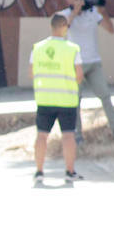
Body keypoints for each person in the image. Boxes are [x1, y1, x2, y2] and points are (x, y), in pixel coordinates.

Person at [60, 0, 114, 142]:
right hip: (76, 64)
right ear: (69, 0)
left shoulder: (92, 13)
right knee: (75, 101)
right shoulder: (65, 14)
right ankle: (77, 136)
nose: (80, 0)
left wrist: (103, 12)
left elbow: (111, 30)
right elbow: (62, 31)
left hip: (94, 62)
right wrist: (75, 12)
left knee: (105, 95)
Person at [31, 13, 85, 183]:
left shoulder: (37, 48)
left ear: (51, 26)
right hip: (67, 100)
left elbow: (31, 73)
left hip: (44, 99)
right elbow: (79, 75)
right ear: (64, 27)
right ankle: (69, 172)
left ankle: (39, 172)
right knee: (68, 136)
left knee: (41, 136)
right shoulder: (72, 49)